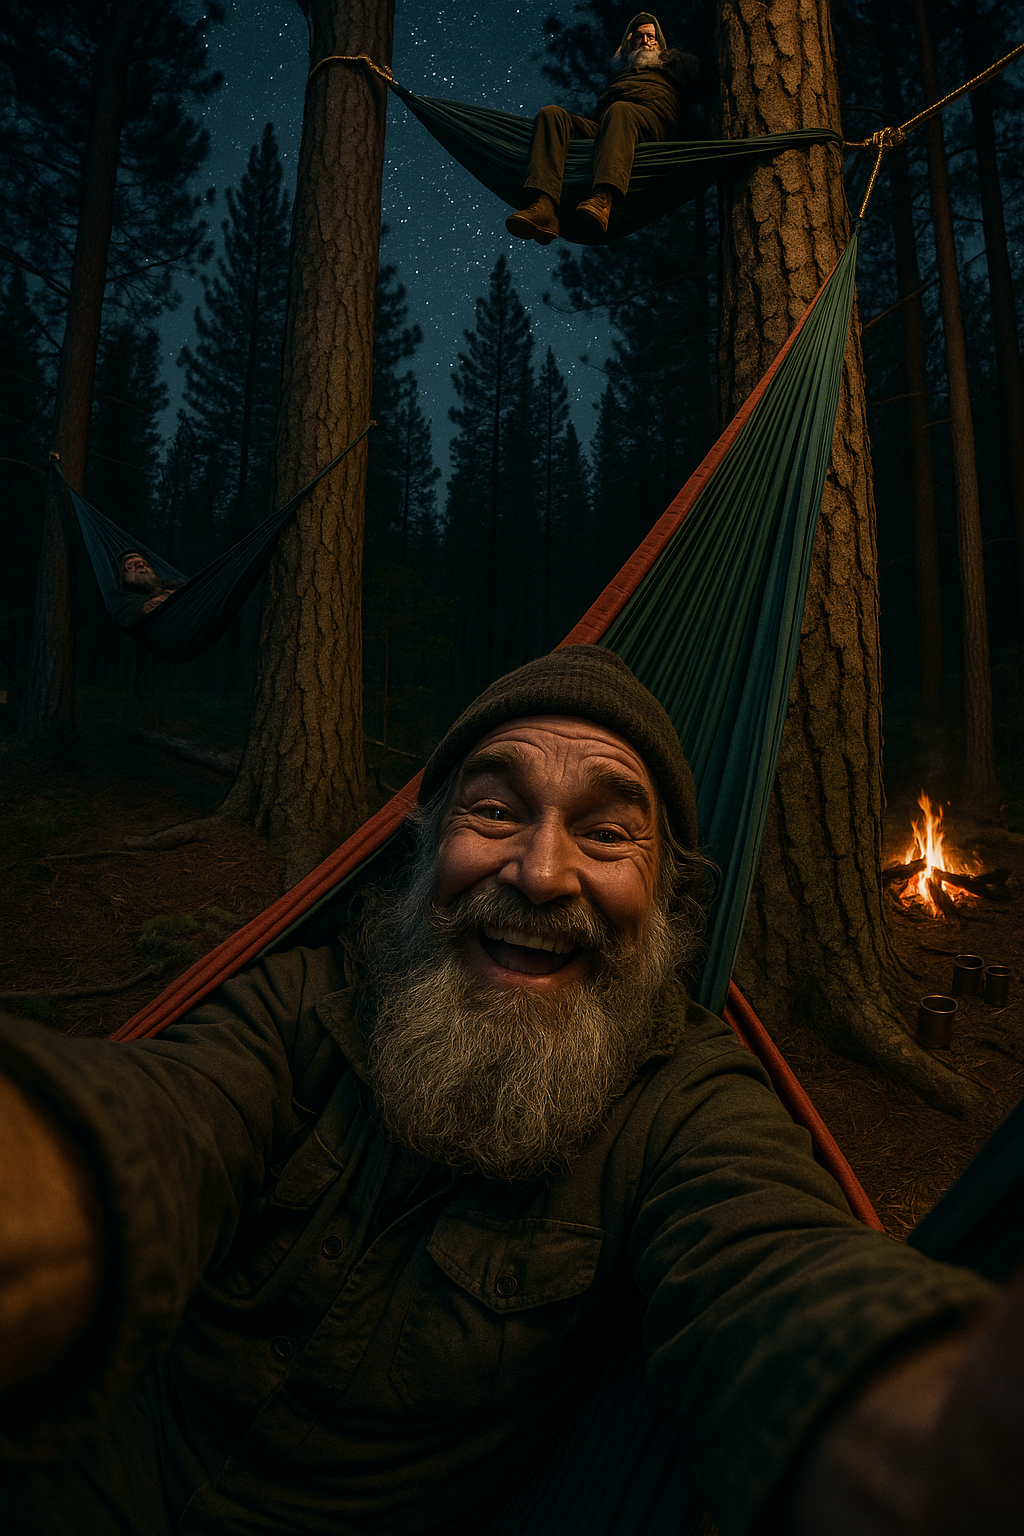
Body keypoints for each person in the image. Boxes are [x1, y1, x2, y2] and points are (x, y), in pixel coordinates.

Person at [0, 645, 1019, 1535]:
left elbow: (768, 1271)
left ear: (664, 901)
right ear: (425, 849)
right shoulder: (313, 1000)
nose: (539, 874)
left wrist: (932, 1422)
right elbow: (161, 1117)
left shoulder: (688, 1103)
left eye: (608, 833)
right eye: (493, 811)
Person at [506, 13, 699, 244]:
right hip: (614, 128)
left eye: (651, 37)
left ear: (660, 43)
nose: (646, 41)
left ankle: (602, 199)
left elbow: (704, 78)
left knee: (620, 110)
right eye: (639, 37)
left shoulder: (673, 62)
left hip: (653, 124)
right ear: (629, 44)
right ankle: (544, 206)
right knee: (552, 114)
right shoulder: (622, 74)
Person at [109, 549, 181, 629]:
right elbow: (132, 614)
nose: (141, 565)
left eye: (145, 564)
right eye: (131, 566)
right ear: (121, 578)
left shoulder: (172, 584)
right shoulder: (122, 601)